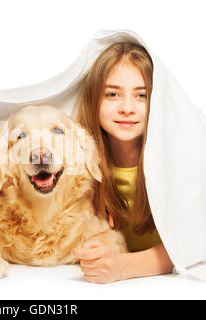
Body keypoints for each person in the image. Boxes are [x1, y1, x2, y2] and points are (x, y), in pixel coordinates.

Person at [72, 42, 174, 284]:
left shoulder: (174, 165)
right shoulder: (83, 169)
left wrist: (123, 267)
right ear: (93, 100)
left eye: (141, 95)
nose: (127, 108)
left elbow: (192, 244)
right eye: (112, 94)